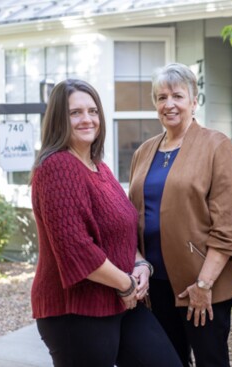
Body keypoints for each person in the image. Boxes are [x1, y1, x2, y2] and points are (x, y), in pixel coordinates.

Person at [30, 79, 182, 367]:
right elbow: (76, 250)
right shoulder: (57, 167)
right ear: (58, 120)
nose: (87, 119)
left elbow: (123, 230)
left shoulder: (99, 167)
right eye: (75, 113)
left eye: (92, 111)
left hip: (120, 299)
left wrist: (140, 265)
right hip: (75, 311)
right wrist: (126, 284)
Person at [128, 63, 232, 367]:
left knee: (211, 361)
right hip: (156, 285)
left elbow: (229, 226)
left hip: (202, 284)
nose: (169, 104)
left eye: (178, 96)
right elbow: (132, 216)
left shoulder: (216, 146)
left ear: (194, 101)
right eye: (161, 97)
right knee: (167, 361)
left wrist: (203, 285)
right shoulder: (144, 152)